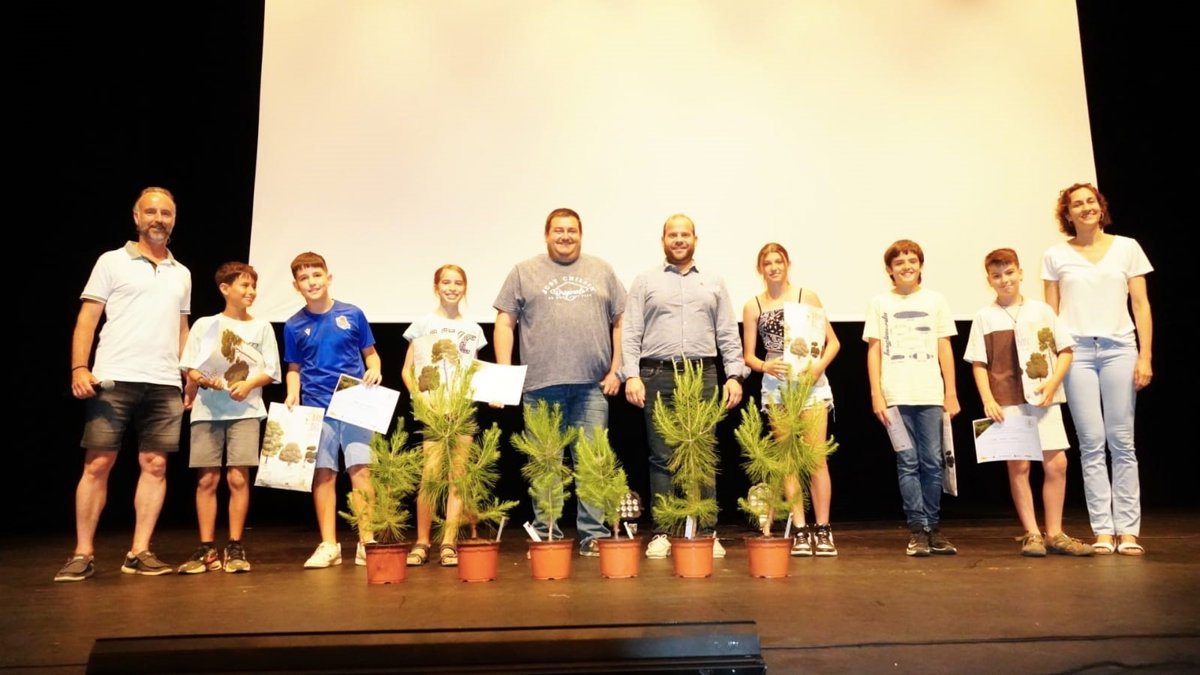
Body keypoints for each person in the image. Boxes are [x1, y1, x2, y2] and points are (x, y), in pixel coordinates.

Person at [56, 187, 192, 582]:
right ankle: (82, 553)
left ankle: (139, 551)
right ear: (136, 217)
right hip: (114, 377)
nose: (158, 219)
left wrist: (188, 375)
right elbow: (87, 319)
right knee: (98, 463)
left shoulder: (181, 272)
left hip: (164, 382)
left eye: (166, 213)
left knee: (156, 465)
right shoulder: (111, 261)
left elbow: (182, 327)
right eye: (151, 212)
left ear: (174, 219)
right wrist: (79, 367)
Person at [493, 208, 626, 557]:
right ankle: (547, 534)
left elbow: (622, 321)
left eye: (571, 230)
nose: (565, 236)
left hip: (592, 387)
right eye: (558, 230)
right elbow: (505, 323)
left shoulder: (602, 270)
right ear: (547, 235)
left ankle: (593, 535)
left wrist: (617, 369)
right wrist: (505, 374)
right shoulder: (523, 271)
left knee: (593, 465)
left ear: (580, 234)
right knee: (546, 466)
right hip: (540, 386)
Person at [623, 213, 748, 559]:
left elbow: (727, 332)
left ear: (695, 239)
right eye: (672, 235)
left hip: (703, 374)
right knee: (661, 457)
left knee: (702, 454)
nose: (679, 240)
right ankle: (663, 531)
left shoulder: (714, 281)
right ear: (663, 240)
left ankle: (706, 531)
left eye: (685, 235)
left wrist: (734, 375)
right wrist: (631, 374)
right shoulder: (645, 281)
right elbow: (631, 332)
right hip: (656, 374)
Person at [1043, 183, 1153, 556]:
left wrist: (1145, 356)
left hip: (1119, 348)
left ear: (1100, 206)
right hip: (1077, 354)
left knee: (1122, 442)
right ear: (1067, 213)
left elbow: (1141, 305)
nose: (1086, 207)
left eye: (1091, 201)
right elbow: (1051, 316)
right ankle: (1103, 531)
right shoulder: (1055, 255)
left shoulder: (1127, 247)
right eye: (1077, 204)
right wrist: (1054, 364)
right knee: (1090, 443)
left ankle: (1128, 531)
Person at [964, 248, 1091, 557]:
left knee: (1057, 464)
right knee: (1019, 465)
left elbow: (1065, 350)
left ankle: (1055, 533)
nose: (1004, 279)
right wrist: (988, 399)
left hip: (1043, 397)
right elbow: (979, 363)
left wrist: (1054, 382)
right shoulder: (985, 317)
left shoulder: (1042, 311)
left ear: (1020, 273)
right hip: (1007, 401)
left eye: (1009, 272)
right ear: (989, 280)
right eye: (997, 275)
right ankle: (1032, 533)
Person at [177, 262, 282, 574]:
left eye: (253, 286)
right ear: (225, 289)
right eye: (244, 286)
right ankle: (206, 546)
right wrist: (203, 379)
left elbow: (271, 370)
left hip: (246, 410)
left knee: (238, 477)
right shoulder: (205, 325)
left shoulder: (261, 327)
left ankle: (235, 544)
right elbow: (190, 367)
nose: (251, 291)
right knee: (207, 478)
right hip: (207, 410)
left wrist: (248, 384)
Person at [741, 243, 841, 557]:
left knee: (815, 458)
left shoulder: (805, 297)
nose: (773, 267)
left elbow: (833, 343)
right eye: (767, 263)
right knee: (787, 460)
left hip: (811, 385)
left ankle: (822, 529)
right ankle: (799, 528)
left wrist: (818, 367)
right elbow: (748, 356)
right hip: (777, 386)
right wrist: (764, 365)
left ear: (787, 264)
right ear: (760, 268)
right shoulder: (753, 306)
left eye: (778, 261)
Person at [283, 252, 382, 568]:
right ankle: (329, 545)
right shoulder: (293, 325)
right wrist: (292, 393)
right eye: (304, 278)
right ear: (296, 285)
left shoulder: (352, 314)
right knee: (323, 474)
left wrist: (375, 369)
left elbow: (371, 354)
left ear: (328, 277)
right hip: (316, 408)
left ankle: (367, 541)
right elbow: (294, 368)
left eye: (316, 275)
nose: (311, 282)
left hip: (353, 404)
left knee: (361, 470)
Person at [863, 239, 959, 557]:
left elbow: (944, 347)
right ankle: (917, 529)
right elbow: (874, 350)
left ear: (920, 265)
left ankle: (933, 527)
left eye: (912, 260)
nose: (906, 266)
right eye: (899, 262)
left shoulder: (936, 300)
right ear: (889, 270)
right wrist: (877, 394)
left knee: (933, 461)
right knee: (907, 462)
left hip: (930, 394)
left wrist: (950, 392)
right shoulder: (880, 303)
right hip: (895, 396)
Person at [401, 264, 486, 568]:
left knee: (457, 478)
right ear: (436, 287)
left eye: (458, 283)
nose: (452, 287)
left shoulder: (473, 329)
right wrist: (420, 399)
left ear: (465, 288)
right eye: (446, 282)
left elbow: (474, 371)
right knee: (430, 476)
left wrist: (494, 392)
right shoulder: (423, 324)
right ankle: (423, 541)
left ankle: (449, 542)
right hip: (433, 412)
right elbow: (407, 370)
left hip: (461, 410)